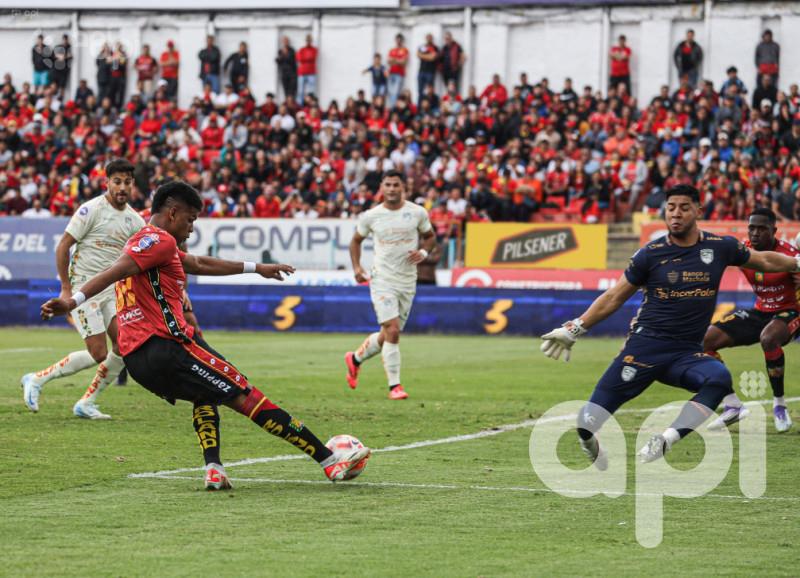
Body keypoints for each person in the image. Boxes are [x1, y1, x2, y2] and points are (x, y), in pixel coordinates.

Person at [40, 181, 371, 489]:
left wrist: (258, 268)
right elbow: (114, 272)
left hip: (138, 362)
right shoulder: (160, 239)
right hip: (169, 347)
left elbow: (198, 263)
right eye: (191, 219)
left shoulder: (145, 242)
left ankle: (214, 468)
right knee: (246, 394)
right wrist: (71, 301)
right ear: (173, 213)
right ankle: (329, 461)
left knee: (204, 395)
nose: (192, 227)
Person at [540, 184, 800, 468]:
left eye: (684, 208)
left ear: (698, 211)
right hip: (643, 349)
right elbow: (614, 296)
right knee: (586, 424)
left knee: (719, 379)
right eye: (671, 208)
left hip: (685, 354)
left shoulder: (720, 247)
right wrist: (575, 328)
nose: (676, 214)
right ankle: (589, 441)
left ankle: (666, 438)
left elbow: (764, 259)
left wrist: (796, 264)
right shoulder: (649, 254)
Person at [21, 159, 147, 419]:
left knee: (125, 345)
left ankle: (86, 402)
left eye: (126, 182)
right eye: (117, 181)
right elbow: (62, 246)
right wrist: (66, 291)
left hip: (111, 291)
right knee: (98, 352)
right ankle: (36, 379)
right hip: (83, 290)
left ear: (132, 185)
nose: (122, 187)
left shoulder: (135, 220)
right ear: (107, 183)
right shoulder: (91, 210)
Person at [703, 209, 797, 432]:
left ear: (774, 230)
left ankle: (779, 404)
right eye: (752, 227)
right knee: (705, 341)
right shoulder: (742, 250)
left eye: (762, 228)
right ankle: (733, 405)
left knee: (769, 339)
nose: (755, 233)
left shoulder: (789, 255)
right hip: (760, 311)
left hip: (791, 311)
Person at [344, 170, 435, 400]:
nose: (392, 189)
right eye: (388, 185)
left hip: (407, 281)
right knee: (393, 330)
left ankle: (354, 359)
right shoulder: (372, 216)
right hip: (382, 279)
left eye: (396, 184)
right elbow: (356, 241)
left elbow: (430, 236)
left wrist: (424, 252)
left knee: (388, 333)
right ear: (381, 188)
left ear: (403, 186)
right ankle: (395, 386)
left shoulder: (417, 212)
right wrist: (356, 267)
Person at [387, 34, 409, 109]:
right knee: (391, 92)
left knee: (395, 92)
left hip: (399, 73)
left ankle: (393, 109)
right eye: (397, 39)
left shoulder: (404, 50)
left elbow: (403, 62)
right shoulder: (392, 50)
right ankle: (393, 107)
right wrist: (398, 60)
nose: (398, 41)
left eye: (400, 39)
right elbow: (389, 61)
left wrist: (394, 60)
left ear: (402, 40)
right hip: (391, 73)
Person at [417, 34, 438, 108]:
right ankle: (419, 108)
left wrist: (424, 56)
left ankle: (429, 107)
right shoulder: (422, 47)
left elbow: (433, 57)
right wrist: (429, 56)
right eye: (428, 38)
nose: (429, 39)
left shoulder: (435, 47)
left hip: (430, 72)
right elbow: (419, 55)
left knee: (429, 91)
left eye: (430, 38)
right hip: (421, 71)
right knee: (420, 91)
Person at [296, 34, 318, 103]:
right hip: (302, 73)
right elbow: (299, 58)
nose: (308, 41)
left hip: (311, 73)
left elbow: (312, 57)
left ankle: (310, 104)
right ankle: (300, 104)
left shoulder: (314, 49)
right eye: (307, 40)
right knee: (300, 91)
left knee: (311, 91)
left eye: (309, 40)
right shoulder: (302, 49)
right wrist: (307, 57)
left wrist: (305, 58)